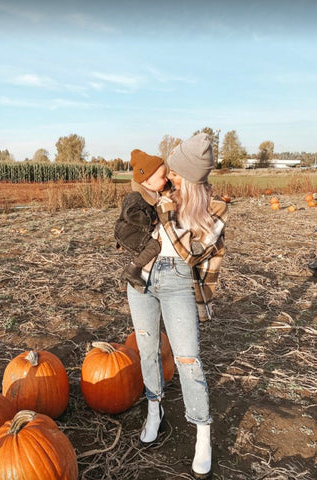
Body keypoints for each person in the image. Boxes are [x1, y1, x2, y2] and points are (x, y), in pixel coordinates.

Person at [125, 133, 228, 479]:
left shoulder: (215, 209)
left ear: (192, 176)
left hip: (178, 281)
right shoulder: (159, 194)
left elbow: (191, 253)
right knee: (147, 351)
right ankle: (155, 408)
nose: (170, 176)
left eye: (177, 171)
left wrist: (167, 212)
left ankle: (202, 432)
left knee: (187, 358)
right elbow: (127, 220)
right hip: (142, 280)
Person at [114, 149, 171, 289]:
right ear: (147, 180)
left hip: (136, 231)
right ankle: (131, 271)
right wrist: (152, 219)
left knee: (153, 245)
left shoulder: (152, 192)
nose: (166, 179)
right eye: (163, 177)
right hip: (128, 233)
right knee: (154, 246)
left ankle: (134, 270)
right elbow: (131, 214)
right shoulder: (136, 197)